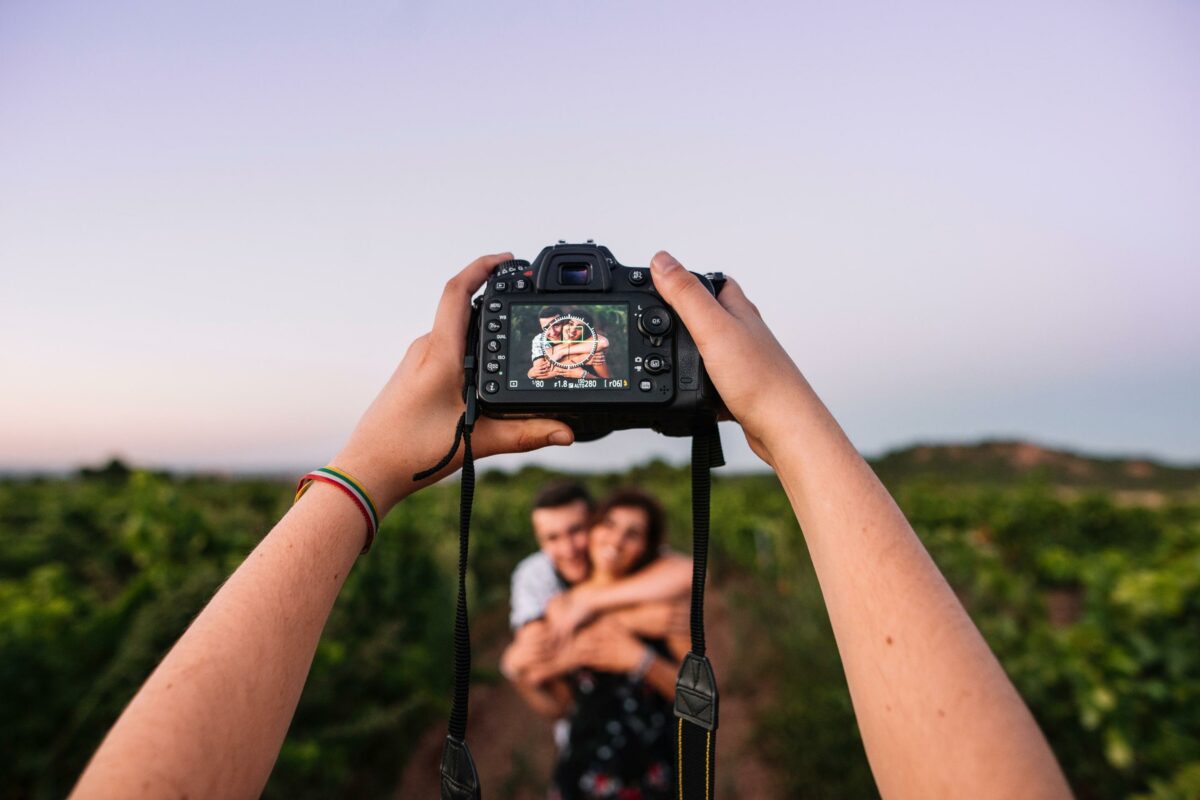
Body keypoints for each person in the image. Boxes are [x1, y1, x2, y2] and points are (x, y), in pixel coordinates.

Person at [71, 251, 1074, 800]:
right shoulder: (568, 583)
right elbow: (533, 661)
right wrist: (795, 429)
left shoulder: (609, 575)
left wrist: (369, 468)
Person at [512, 489, 690, 800]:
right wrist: (526, 669)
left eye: (633, 533)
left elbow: (702, 701)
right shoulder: (559, 607)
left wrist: (642, 660)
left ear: (648, 547)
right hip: (580, 775)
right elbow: (562, 702)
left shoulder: (665, 606)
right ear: (595, 528)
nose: (615, 540)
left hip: (652, 777)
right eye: (608, 524)